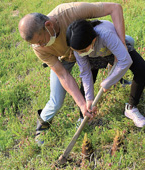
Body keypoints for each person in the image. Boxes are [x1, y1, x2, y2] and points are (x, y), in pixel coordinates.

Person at [18, 2, 127, 145]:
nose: (41, 46)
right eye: (36, 44)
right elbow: (63, 75)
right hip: (64, 59)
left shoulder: (70, 12)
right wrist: (82, 104)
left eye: (40, 41)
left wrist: (122, 44)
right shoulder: (38, 48)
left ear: (48, 25)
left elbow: (115, 8)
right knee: (56, 100)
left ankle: (120, 78)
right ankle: (41, 128)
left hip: (88, 50)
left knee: (128, 44)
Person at [66, 19, 145, 128]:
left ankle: (131, 108)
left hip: (113, 50)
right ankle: (84, 116)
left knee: (142, 68)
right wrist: (89, 99)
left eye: (82, 50)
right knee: (85, 84)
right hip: (93, 57)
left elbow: (125, 60)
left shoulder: (105, 34)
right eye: (77, 51)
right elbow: (85, 73)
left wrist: (109, 82)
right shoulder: (78, 48)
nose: (79, 53)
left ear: (93, 40)